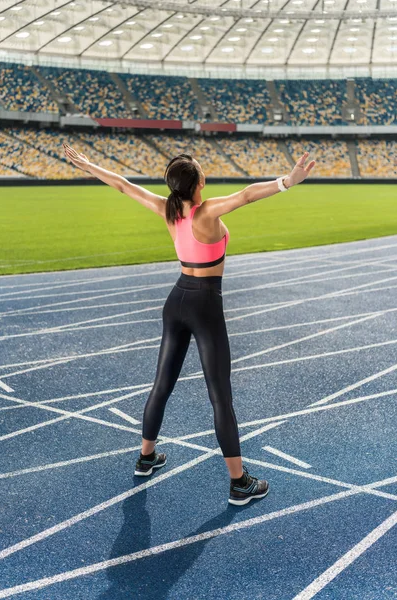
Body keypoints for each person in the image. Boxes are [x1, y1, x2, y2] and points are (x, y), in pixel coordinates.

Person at [63, 142, 315, 505]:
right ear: (198, 182)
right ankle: (239, 483)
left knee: (161, 385)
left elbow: (123, 185)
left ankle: (146, 457)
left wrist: (90, 166)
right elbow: (245, 196)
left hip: (176, 299)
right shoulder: (206, 212)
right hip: (204, 303)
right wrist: (287, 181)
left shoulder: (167, 209)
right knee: (220, 396)